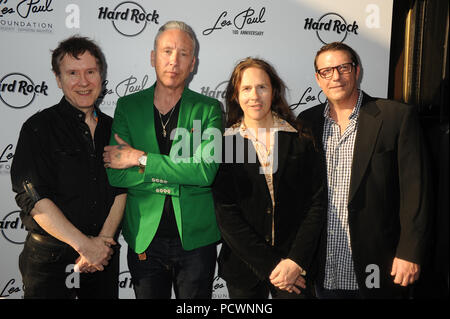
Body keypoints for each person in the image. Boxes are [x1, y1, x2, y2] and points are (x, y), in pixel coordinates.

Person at [297, 42, 431, 299]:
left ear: (357, 71)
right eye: (326, 71)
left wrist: (410, 252)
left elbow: (417, 191)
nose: (335, 76)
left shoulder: (395, 117)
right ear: (318, 78)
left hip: (380, 263)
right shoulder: (307, 121)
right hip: (325, 263)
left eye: (343, 68)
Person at [102, 21, 222, 299]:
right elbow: (116, 174)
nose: (173, 61)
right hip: (145, 237)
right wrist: (177, 178)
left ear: (193, 63)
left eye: (183, 54)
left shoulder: (209, 109)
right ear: (153, 57)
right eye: (167, 51)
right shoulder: (127, 106)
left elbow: (204, 172)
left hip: (196, 241)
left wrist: (139, 158)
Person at [10, 36, 127, 299]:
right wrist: (85, 246)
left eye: (90, 72)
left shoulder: (116, 129)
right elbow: (34, 198)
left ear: (101, 74)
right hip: (49, 262)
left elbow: (122, 189)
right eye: (73, 73)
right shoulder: (38, 128)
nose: (83, 82)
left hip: (102, 260)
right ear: (58, 78)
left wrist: (101, 245)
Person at [212, 57, 326, 299]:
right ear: (235, 95)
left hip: (296, 268)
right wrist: (272, 265)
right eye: (246, 88)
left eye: (262, 87)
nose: (255, 95)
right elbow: (226, 214)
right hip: (243, 269)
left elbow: (316, 204)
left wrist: (295, 262)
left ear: (274, 91)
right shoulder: (226, 143)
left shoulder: (300, 137)